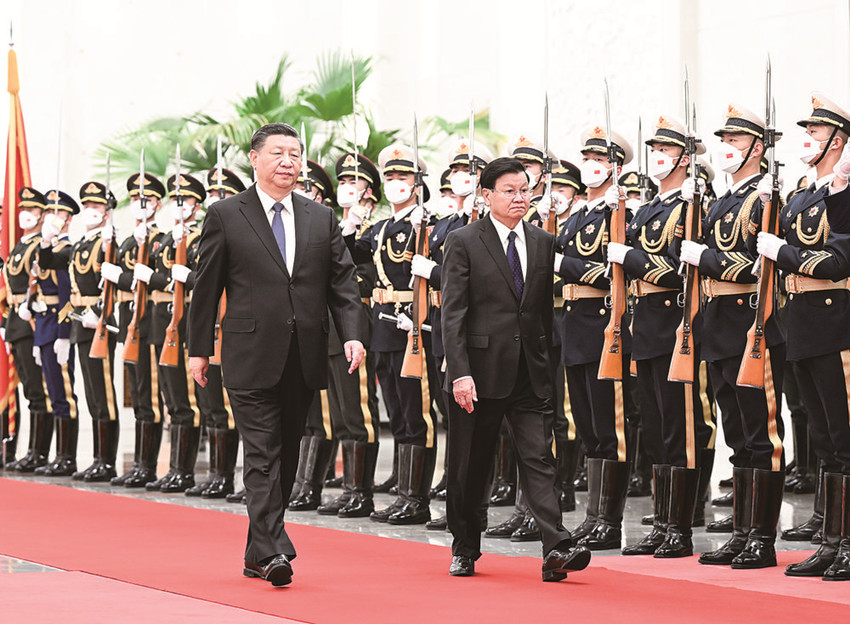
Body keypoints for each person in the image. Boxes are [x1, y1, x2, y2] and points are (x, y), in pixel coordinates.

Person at [188, 122, 365, 588]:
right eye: (278, 153)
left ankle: (255, 552)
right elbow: (206, 287)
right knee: (262, 451)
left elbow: (342, 282)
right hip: (248, 353)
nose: (288, 162)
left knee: (285, 455)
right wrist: (199, 350)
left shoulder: (319, 217)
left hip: (303, 353)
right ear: (255, 158)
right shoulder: (226, 214)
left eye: (294, 154)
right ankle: (273, 551)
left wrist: (353, 334)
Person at [441, 156, 590, 581]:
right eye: (509, 191)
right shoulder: (464, 241)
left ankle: (556, 547)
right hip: (478, 373)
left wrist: (545, 366)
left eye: (525, 189)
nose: (519, 197)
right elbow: (453, 313)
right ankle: (465, 546)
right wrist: (459, 373)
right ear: (486, 195)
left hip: (529, 373)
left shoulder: (542, 241)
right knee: (471, 465)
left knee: (539, 459)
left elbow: (540, 313)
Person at [679, 104, 786, 568]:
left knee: (761, 434)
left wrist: (705, 259)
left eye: (735, 141)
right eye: (723, 141)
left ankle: (762, 538)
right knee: (737, 435)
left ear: (757, 149)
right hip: (719, 327)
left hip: (752, 326)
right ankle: (742, 532)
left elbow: (759, 266)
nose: (726, 148)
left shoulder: (766, 198)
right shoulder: (723, 200)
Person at [755, 92, 850, 579]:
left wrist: (783, 253)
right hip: (801, 325)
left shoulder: (843, 194)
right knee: (824, 439)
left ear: (839, 141)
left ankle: (847, 542)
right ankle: (832, 541)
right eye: (807, 131)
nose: (807, 139)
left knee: (843, 437)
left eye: (816, 132)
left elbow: (838, 261)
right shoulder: (799, 196)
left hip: (835, 325)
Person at [102, 172, 166, 488]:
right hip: (128, 318)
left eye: (147, 199)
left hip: (149, 320)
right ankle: (139, 464)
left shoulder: (161, 241)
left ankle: (148, 466)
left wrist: (121, 277)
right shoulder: (129, 240)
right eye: (137, 198)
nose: (141, 203)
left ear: (158, 204)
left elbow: (152, 280)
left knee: (150, 394)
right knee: (138, 395)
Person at [69, 181, 121, 482]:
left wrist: (101, 313)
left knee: (103, 393)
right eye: (87, 205)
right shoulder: (81, 244)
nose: (90, 209)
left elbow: (111, 285)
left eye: (96, 205)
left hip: (100, 322)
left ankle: (107, 462)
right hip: (81, 322)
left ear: (107, 210)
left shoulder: (108, 242)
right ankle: (97, 459)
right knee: (91, 392)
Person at [3, 188, 51, 471]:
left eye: (32, 210)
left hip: (32, 320)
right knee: (28, 389)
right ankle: (31, 451)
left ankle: (39, 452)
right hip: (15, 320)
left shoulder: (38, 246)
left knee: (37, 388)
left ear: (42, 214)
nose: (25, 214)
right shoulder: (20, 246)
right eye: (23, 209)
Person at [33, 190, 80, 477]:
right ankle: (56, 455)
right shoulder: (48, 247)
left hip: (58, 327)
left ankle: (67, 457)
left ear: (69, 219)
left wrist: (64, 334)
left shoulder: (68, 249)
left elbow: (66, 294)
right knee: (52, 392)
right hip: (44, 326)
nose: (53, 217)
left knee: (64, 395)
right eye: (49, 212)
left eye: (59, 213)